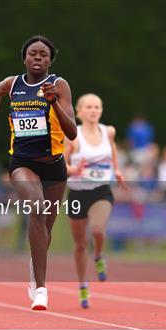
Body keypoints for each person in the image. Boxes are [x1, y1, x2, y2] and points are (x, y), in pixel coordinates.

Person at [0, 35, 76, 310]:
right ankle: (42, 290)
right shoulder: (13, 84)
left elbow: (72, 132)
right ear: (24, 58)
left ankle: (35, 268)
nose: (38, 58)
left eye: (43, 54)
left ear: (50, 60)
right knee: (37, 208)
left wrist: (54, 103)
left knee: (45, 228)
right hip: (22, 163)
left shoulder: (58, 85)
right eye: (33, 53)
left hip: (54, 164)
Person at [64, 93, 124, 309]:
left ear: (101, 110)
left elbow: (113, 148)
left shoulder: (108, 132)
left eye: (97, 107)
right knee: (80, 244)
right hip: (78, 193)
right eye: (88, 107)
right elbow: (62, 165)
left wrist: (116, 169)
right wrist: (73, 169)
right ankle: (82, 285)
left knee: (97, 230)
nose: (93, 110)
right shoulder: (73, 137)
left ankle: (98, 255)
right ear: (79, 112)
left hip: (101, 191)